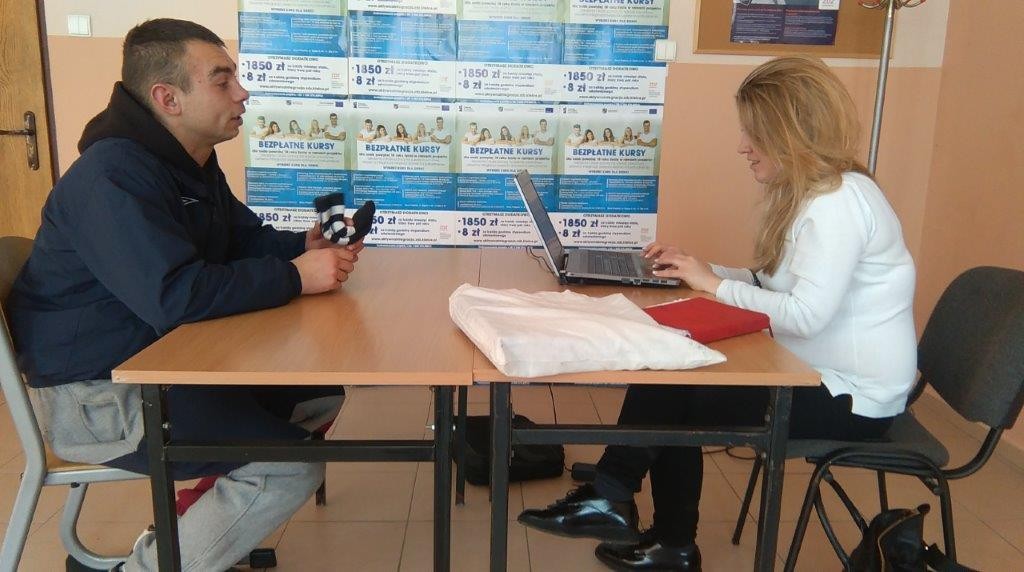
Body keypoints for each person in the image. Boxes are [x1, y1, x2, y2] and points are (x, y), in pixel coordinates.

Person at [517, 56, 917, 571]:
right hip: (818, 373)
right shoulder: (815, 194)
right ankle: (643, 521)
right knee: (675, 379)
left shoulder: (836, 204)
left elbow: (805, 316)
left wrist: (716, 285)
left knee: (678, 386)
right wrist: (700, 271)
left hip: (854, 398)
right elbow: (774, 284)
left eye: (754, 133)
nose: (742, 146)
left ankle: (626, 506)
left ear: (790, 133)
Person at [6, 19, 365, 571]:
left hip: (155, 363)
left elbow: (240, 241)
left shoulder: (186, 160)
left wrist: (302, 246)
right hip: (98, 399)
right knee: (289, 465)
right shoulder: (111, 177)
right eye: (222, 81)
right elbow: (175, 296)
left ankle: (187, 536)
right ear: (167, 98)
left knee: (317, 395)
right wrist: (297, 276)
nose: (242, 93)